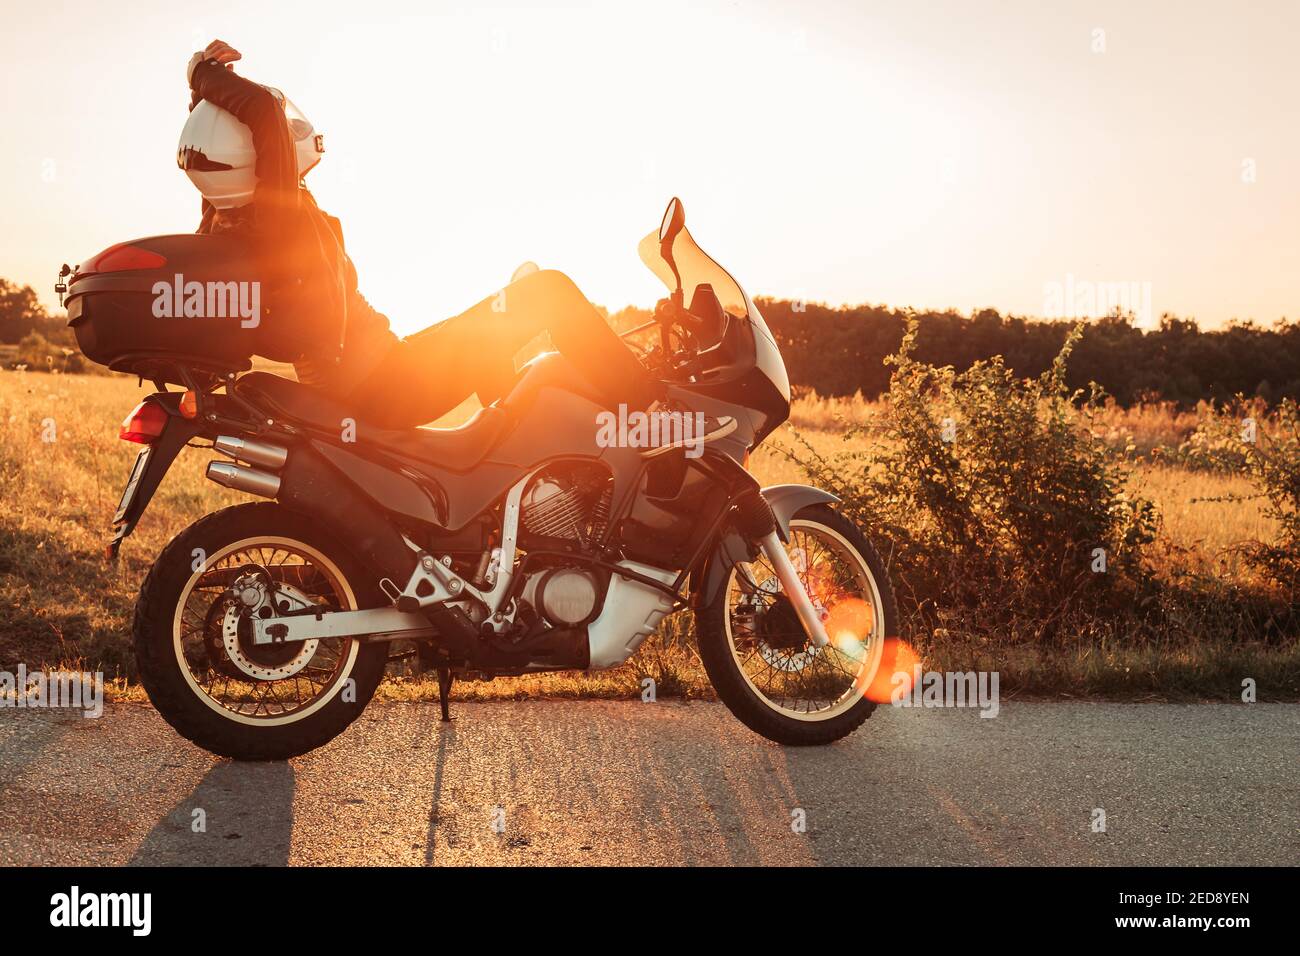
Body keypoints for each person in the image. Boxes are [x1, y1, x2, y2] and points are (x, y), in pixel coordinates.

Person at [179, 39, 733, 446]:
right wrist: (203, 74)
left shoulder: (231, 215)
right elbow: (265, 115)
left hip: (378, 377)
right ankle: (653, 416)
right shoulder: (278, 215)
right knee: (548, 292)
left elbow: (217, 153)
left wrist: (201, 100)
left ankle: (528, 455)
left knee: (516, 296)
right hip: (383, 385)